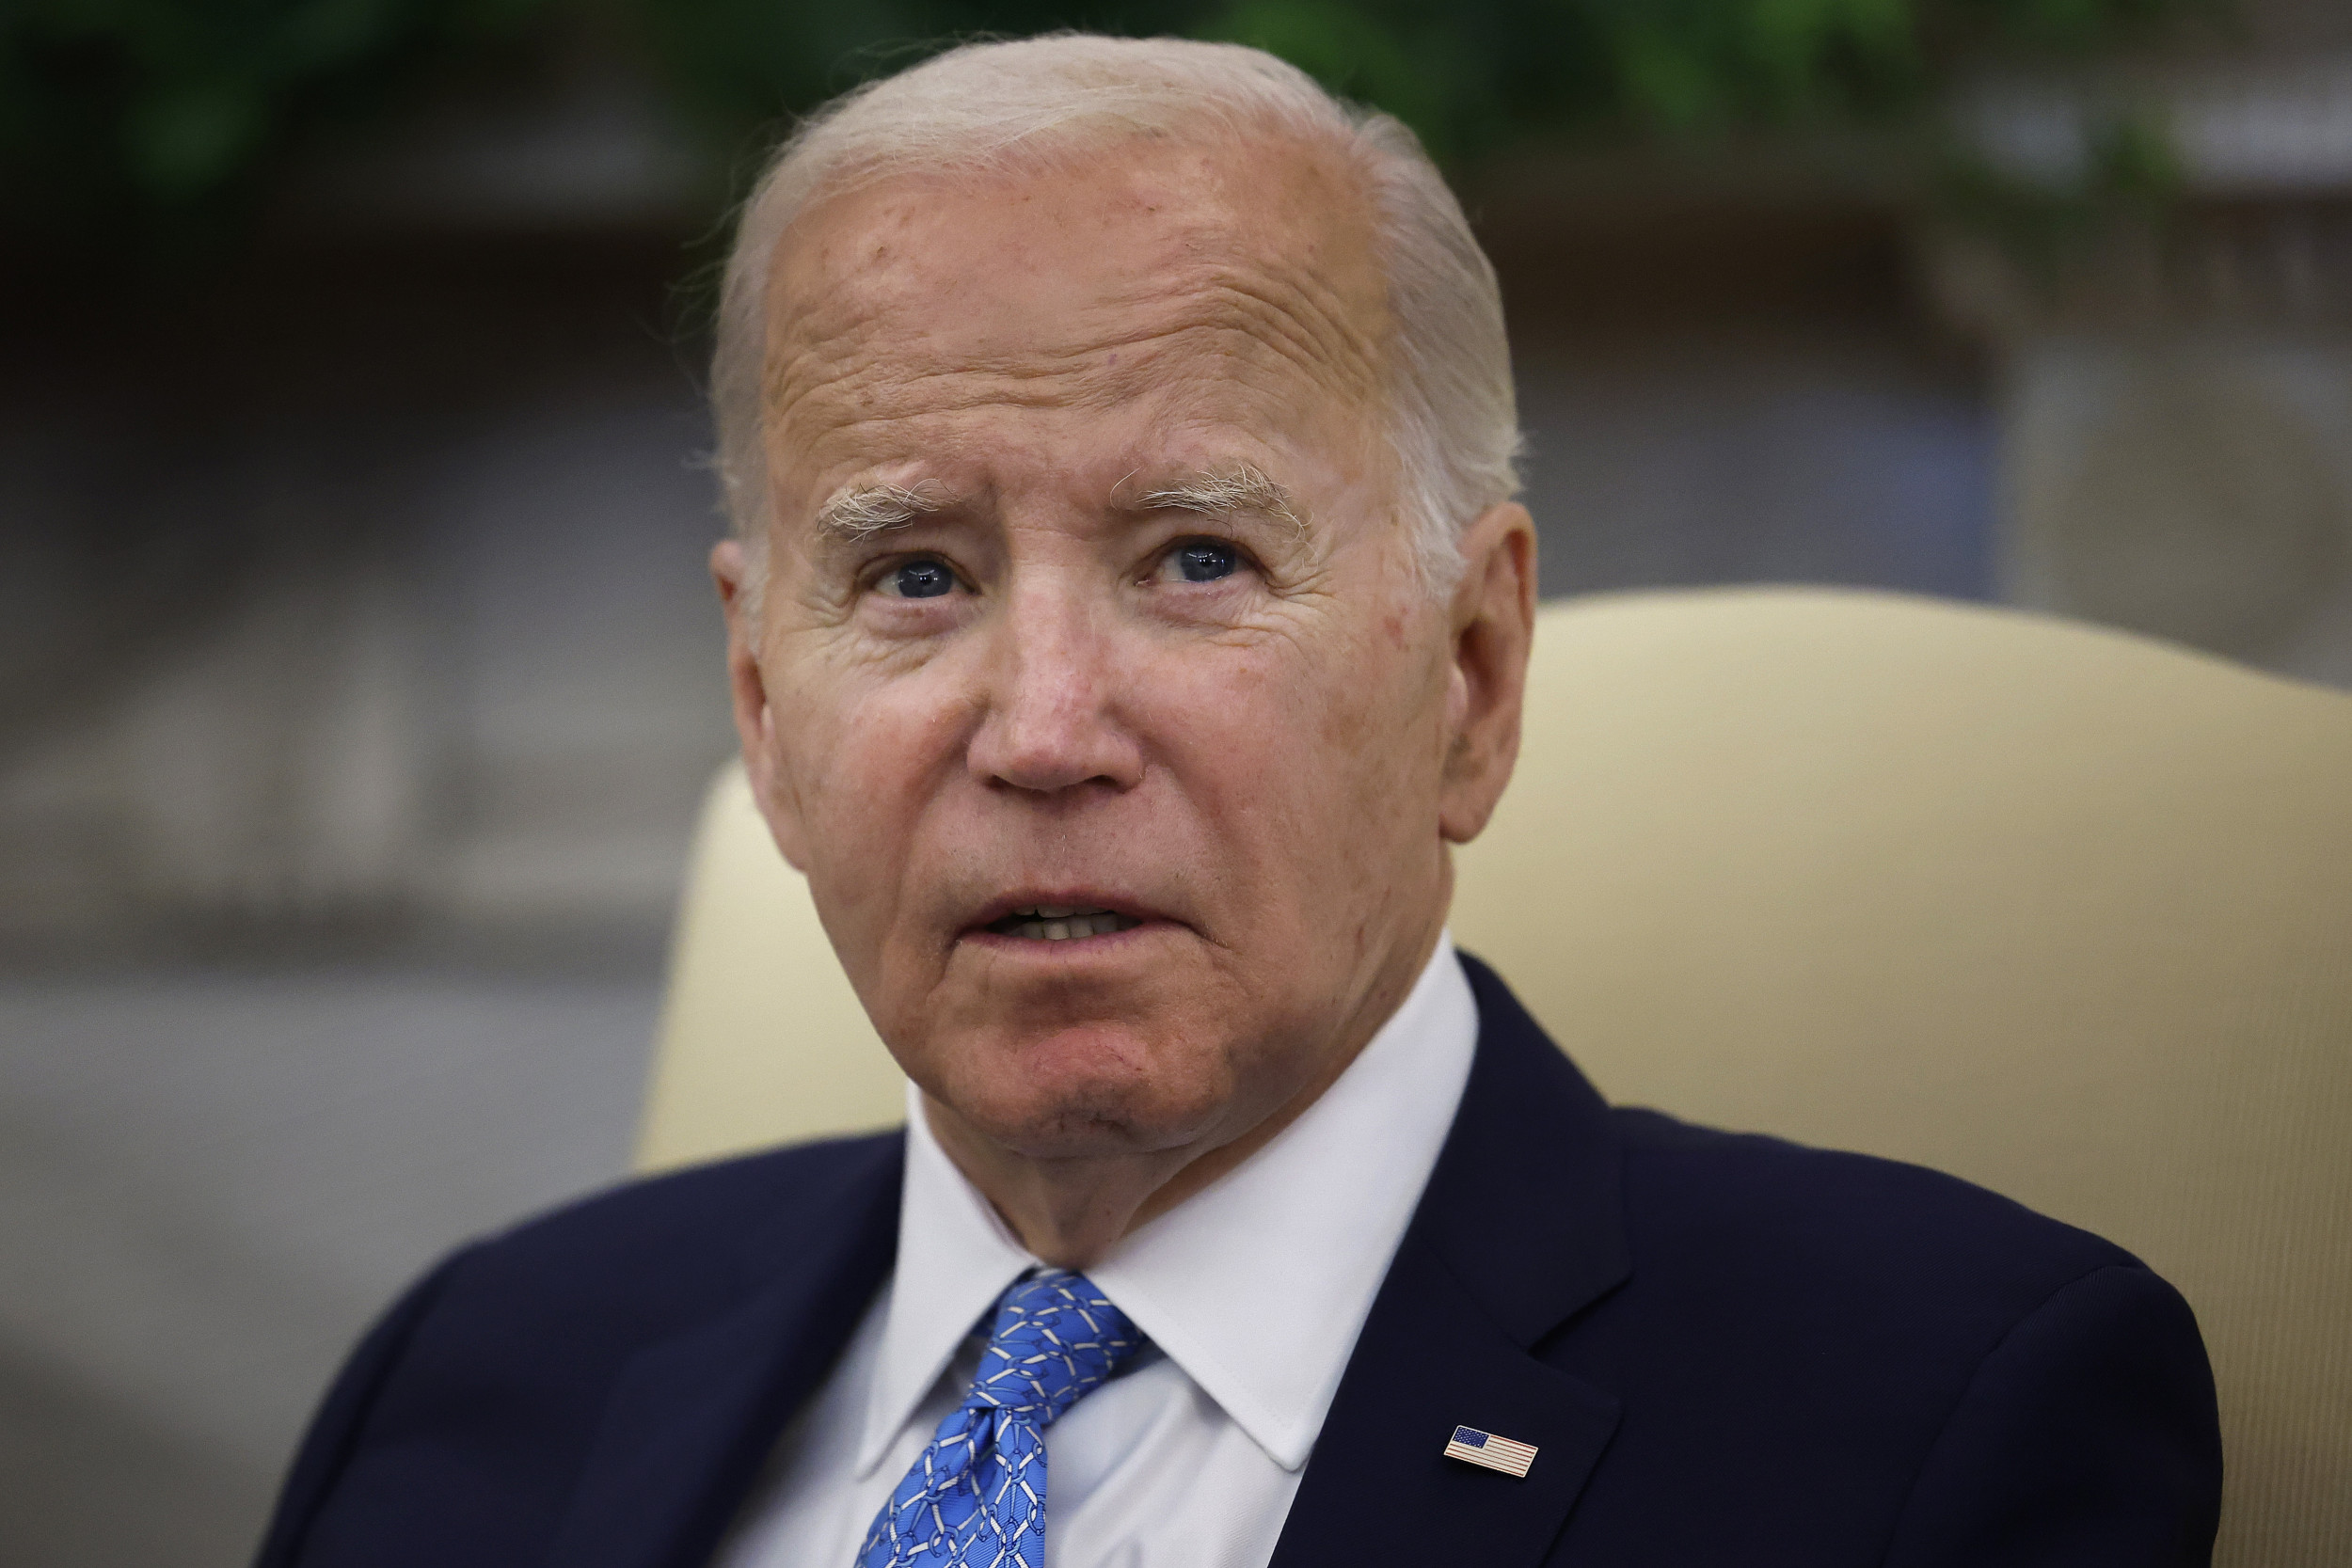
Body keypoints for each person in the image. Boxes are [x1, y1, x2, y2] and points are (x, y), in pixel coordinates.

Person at [253, 34, 2220, 1568]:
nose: (1039, 729)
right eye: (915, 575)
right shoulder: (478, 1379)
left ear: (1469, 675)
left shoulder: (1934, 1418)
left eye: (1194, 559)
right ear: (765, 714)